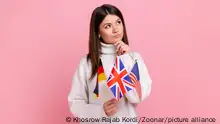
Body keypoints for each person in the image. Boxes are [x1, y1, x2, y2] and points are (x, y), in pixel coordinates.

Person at [68, 4, 152, 124]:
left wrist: (124, 59)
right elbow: (75, 102)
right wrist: (100, 111)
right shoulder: (87, 63)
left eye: (118, 22)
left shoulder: (134, 59)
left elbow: (136, 97)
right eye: (108, 26)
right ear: (98, 32)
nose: (116, 29)